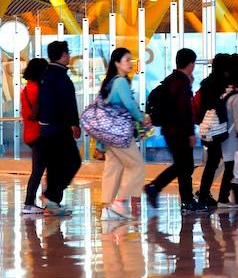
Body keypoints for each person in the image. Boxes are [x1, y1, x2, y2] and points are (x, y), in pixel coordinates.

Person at [144, 48, 208, 214]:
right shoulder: (181, 83)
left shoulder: (171, 80)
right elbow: (184, 111)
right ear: (191, 64)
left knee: (183, 166)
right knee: (185, 166)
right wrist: (190, 133)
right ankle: (167, 192)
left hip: (170, 130)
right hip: (179, 132)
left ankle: (181, 198)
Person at [99, 48, 150, 220]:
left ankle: (107, 208)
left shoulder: (109, 82)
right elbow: (129, 104)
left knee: (113, 168)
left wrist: (100, 143)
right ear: (117, 63)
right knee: (136, 165)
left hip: (110, 133)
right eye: (127, 60)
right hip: (120, 134)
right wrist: (142, 118)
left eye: (131, 59)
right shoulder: (121, 82)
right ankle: (119, 201)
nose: (130, 63)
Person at [37, 41, 81, 215]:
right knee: (73, 162)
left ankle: (52, 205)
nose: (69, 56)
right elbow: (67, 104)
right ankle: (50, 196)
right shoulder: (60, 77)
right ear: (63, 55)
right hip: (59, 128)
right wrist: (74, 124)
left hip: (46, 128)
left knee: (55, 166)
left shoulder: (46, 74)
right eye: (68, 53)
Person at [194, 53, 231, 207]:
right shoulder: (219, 84)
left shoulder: (207, 82)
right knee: (213, 162)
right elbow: (218, 106)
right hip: (215, 128)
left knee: (213, 161)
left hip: (207, 127)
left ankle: (203, 192)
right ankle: (203, 194)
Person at [217, 65, 238, 208]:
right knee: (231, 169)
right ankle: (223, 199)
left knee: (233, 169)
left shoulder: (225, 94)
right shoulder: (237, 98)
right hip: (234, 140)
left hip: (227, 140)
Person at [20, 58, 49, 215]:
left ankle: (34, 202)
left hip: (30, 132)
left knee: (39, 169)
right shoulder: (38, 89)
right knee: (38, 170)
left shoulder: (26, 88)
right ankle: (29, 203)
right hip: (39, 133)